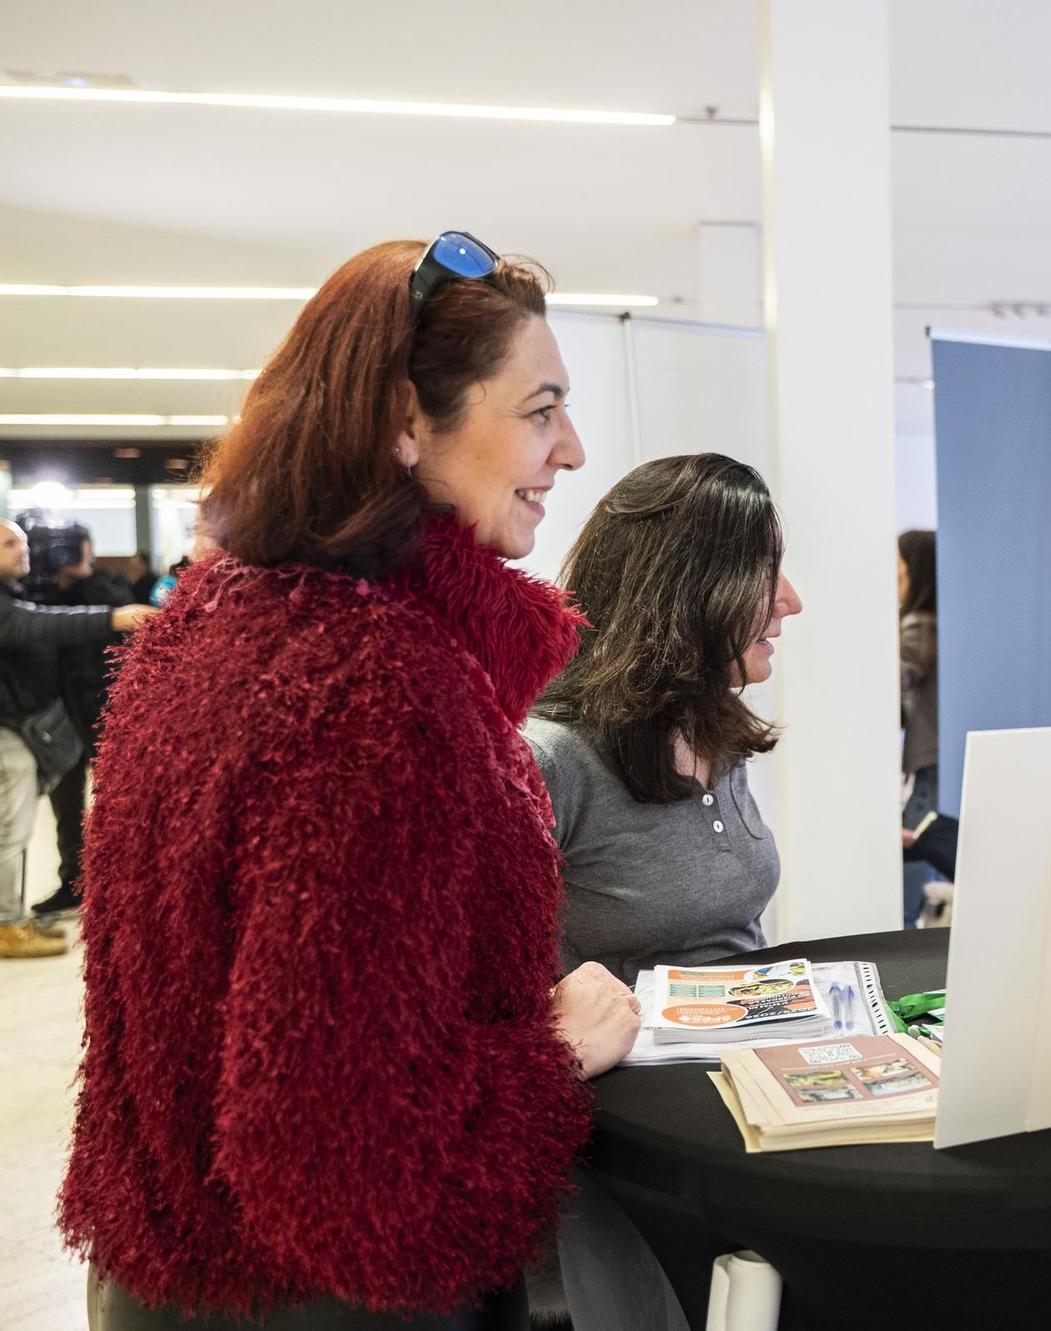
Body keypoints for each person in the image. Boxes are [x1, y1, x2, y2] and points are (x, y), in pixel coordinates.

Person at [60, 234, 640, 1329]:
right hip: (330, 1296)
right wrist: (549, 1054)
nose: (570, 449)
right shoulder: (377, 691)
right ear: (405, 424)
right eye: (539, 407)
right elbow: (342, 1144)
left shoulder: (209, 621)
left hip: (169, 1267)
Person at [526, 453, 803, 985]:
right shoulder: (550, 758)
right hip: (632, 1064)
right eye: (763, 570)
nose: (790, 600)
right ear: (684, 590)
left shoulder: (713, 729)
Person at [0, 522, 153, 959]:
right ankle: (7, 923)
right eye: (11, 545)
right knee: (12, 829)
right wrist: (110, 617)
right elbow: (36, 625)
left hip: (71, 719)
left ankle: (13, 917)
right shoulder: (16, 602)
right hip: (22, 726)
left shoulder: (32, 590)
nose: (24, 553)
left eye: (26, 544)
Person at [31, 531, 142, 919]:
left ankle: (121, 887)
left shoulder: (109, 589)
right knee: (67, 807)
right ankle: (73, 882)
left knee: (118, 804)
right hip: (58, 717)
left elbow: (121, 626)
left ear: (89, 550)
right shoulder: (36, 595)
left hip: (107, 711)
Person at [895, 528, 940, 926]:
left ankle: (908, 925)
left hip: (928, 759)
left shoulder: (918, 626)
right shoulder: (929, 623)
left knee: (913, 841)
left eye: (900, 572)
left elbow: (892, 686)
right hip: (929, 756)